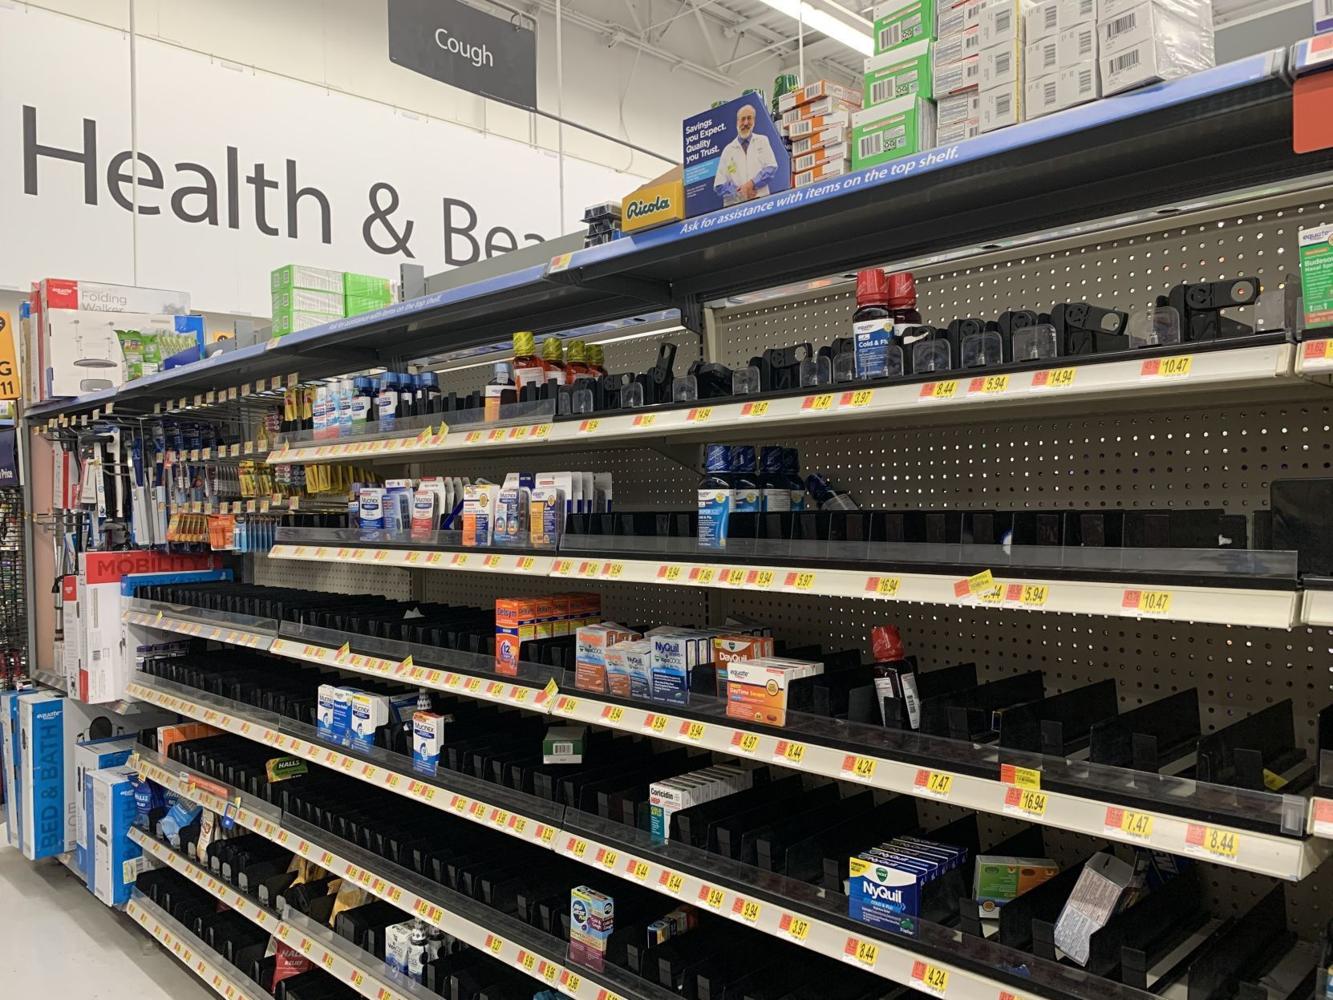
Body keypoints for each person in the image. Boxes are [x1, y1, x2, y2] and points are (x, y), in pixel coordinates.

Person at [713, 104, 778, 206]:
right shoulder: (728, 150)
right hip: (736, 208)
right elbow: (719, 185)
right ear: (737, 122)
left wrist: (751, 184)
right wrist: (740, 193)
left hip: (761, 202)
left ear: (754, 121)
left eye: (749, 118)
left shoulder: (762, 140)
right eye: (743, 119)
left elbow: (771, 168)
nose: (746, 123)